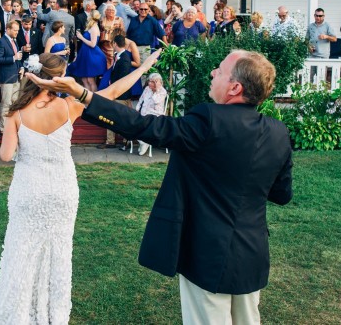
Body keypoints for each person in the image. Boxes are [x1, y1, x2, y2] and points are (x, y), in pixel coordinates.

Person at [29, 49, 293, 325]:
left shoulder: (209, 120)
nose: (213, 73)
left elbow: (144, 126)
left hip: (206, 252)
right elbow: (281, 194)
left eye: (220, 71)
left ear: (235, 87)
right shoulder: (278, 132)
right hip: (252, 255)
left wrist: (83, 94)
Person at [0, 50, 161, 324]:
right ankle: (52, 312)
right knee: (59, 250)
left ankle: (18, 312)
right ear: (57, 80)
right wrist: (146, 65)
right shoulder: (71, 104)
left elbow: (6, 156)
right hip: (62, 189)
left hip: (29, 189)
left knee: (23, 249)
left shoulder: (17, 113)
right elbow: (115, 90)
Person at [0, 19, 24, 132]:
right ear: (8, 29)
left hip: (16, 75)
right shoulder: (0, 42)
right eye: (15, 30)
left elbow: (18, 57)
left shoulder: (14, 40)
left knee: (15, 103)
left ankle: (12, 126)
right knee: (6, 103)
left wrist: (21, 67)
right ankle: (3, 128)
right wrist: (13, 58)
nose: (17, 32)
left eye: (17, 30)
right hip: (6, 77)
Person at [68, 10, 105, 92]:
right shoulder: (91, 27)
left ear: (91, 17)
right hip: (85, 54)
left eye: (89, 15)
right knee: (84, 79)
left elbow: (93, 44)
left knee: (90, 79)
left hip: (91, 54)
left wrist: (81, 37)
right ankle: (87, 99)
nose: (87, 17)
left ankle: (93, 99)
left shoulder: (95, 28)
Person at [134, 72, 168, 157]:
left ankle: (144, 142)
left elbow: (156, 101)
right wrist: (137, 107)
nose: (149, 83)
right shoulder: (147, 89)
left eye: (153, 82)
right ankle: (144, 142)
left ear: (159, 83)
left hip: (155, 116)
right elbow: (141, 99)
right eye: (149, 81)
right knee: (133, 126)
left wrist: (156, 90)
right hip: (144, 114)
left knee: (142, 126)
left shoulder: (162, 92)